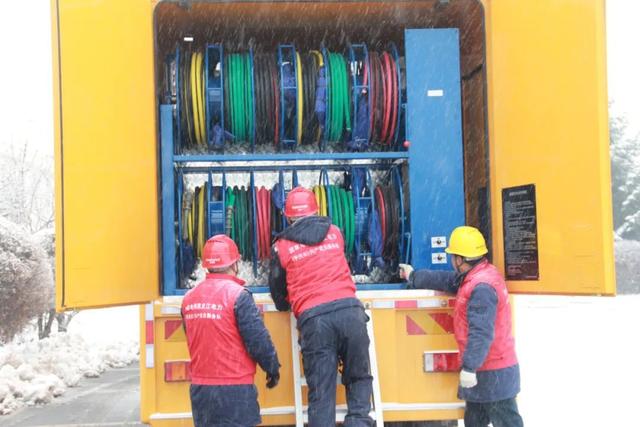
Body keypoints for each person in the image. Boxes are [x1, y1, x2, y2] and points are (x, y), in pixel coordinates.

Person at [269, 187, 374, 427]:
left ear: (288, 217)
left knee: (321, 392)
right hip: (351, 313)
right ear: (317, 211)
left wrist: (286, 303)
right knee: (358, 376)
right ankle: (358, 422)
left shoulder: (281, 246)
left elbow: (277, 290)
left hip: (315, 321)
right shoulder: (335, 232)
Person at [399, 226, 524, 427]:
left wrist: (470, 367)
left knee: (507, 422)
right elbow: (446, 280)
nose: (451, 260)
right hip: (487, 372)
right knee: (474, 421)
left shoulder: (481, 288)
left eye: (453, 256)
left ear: (460, 260)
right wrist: (414, 276)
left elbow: (481, 333)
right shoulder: (478, 276)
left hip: (492, 373)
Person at [182, 234, 280, 427]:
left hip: (201, 391)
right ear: (235, 264)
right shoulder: (238, 296)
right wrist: (272, 367)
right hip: (235, 391)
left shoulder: (189, 299)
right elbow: (257, 340)